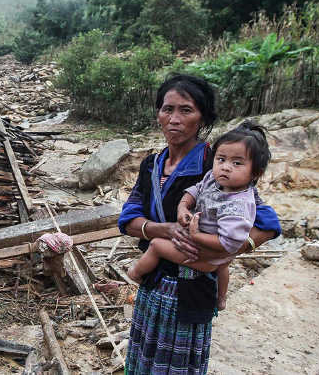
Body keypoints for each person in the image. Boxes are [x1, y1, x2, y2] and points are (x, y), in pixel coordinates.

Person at [118, 74, 281, 375]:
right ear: (158, 114)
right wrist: (163, 230)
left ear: (202, 116)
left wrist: (224, 251)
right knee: (143, 358)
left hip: (191, 289)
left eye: (186, 110)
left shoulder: (216, 164)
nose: (175, 119)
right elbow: (128, 218)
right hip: (153, 283)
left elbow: (267, 224)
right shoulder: (151, 165)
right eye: (168, 109)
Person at [127, 120, 271, 311]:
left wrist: (197, 238)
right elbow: (128, 216)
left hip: (199, 261)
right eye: (221, 159)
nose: (226, 167)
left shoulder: (240, 200)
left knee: (156, 245)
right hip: (176, 274)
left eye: (237, 163)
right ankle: (221, 299)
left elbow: (258, 228)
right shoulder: (210, 176)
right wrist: (183, 206)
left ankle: (136, 274)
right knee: (223, 267)